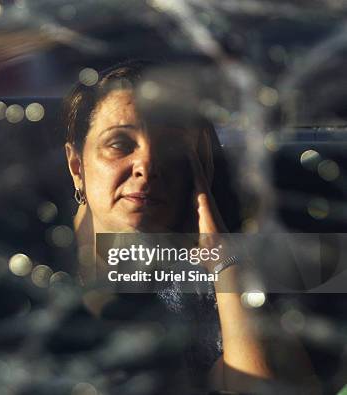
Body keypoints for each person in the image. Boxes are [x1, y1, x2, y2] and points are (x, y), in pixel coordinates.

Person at [62, 61, 320, 394]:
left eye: (170, 148)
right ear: (77, 166)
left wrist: (223, 262)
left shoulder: (212, 298)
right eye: (120, 145)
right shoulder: (30, 264)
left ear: (198, 166)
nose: (147, 165)